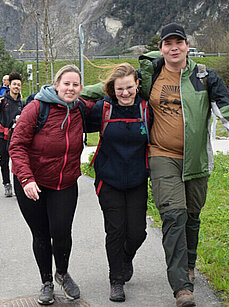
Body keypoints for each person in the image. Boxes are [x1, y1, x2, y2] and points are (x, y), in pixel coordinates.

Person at [139, 23, 229, 307]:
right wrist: (66, 91)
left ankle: (189, 264)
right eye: (168, 43)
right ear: (161, 48)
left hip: (196, 161)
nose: (174, 47)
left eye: (179, 42)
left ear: (187, 47)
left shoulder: (204, 77)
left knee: (192, 217)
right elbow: (117, 87)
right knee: (174, 216)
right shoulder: (149, 74)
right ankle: (182, 287)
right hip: (161, 155)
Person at [9, 65, 94, 305]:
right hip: (32, 184)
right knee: (41, 234)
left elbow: (107, 102)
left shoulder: (80, 109)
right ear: (56, 85)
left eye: (75, 84)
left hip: (64, 182)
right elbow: (16, 145)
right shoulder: (36, 108)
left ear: (80, 88)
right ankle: (46, 282)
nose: (70, 88)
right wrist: (26, 179)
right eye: (66, 83)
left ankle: (62, 274)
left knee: (62, 232)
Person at [83, 63, 151, 302]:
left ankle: (125, 259)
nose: (125, 93)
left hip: (136, 180)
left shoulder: (145, 109)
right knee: (115, 230)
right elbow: (72, 119)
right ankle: (116, 280)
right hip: (108, 180)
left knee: (137, 232)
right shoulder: (103, 109)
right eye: (120, 89)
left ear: (137, 85)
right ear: (113, 89)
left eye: (129, 88)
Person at [0, 72, 24, 197]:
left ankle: (18, 187)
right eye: (14, 84)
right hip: (2, 135)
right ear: (9, 86)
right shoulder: (2, 100)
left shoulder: (22, 104)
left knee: (17, 161)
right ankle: (6, 184)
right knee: (4, 160)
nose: (16, 86)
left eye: (19, 85)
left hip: (16, 136)